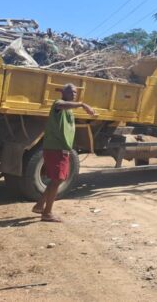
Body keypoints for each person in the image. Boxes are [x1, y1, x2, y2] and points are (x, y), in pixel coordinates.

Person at [32, 83, 94, 222]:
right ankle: (47, 213)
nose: (73, 94)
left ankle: (40, 205)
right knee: (58, 179)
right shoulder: (58, 104)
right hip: (55, 147)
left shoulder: (69, 110)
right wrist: (82, 105)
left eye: (75, 92)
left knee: (58, 179)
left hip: (62, 148)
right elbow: (62, 105)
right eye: (71, 91)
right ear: (63, 93)